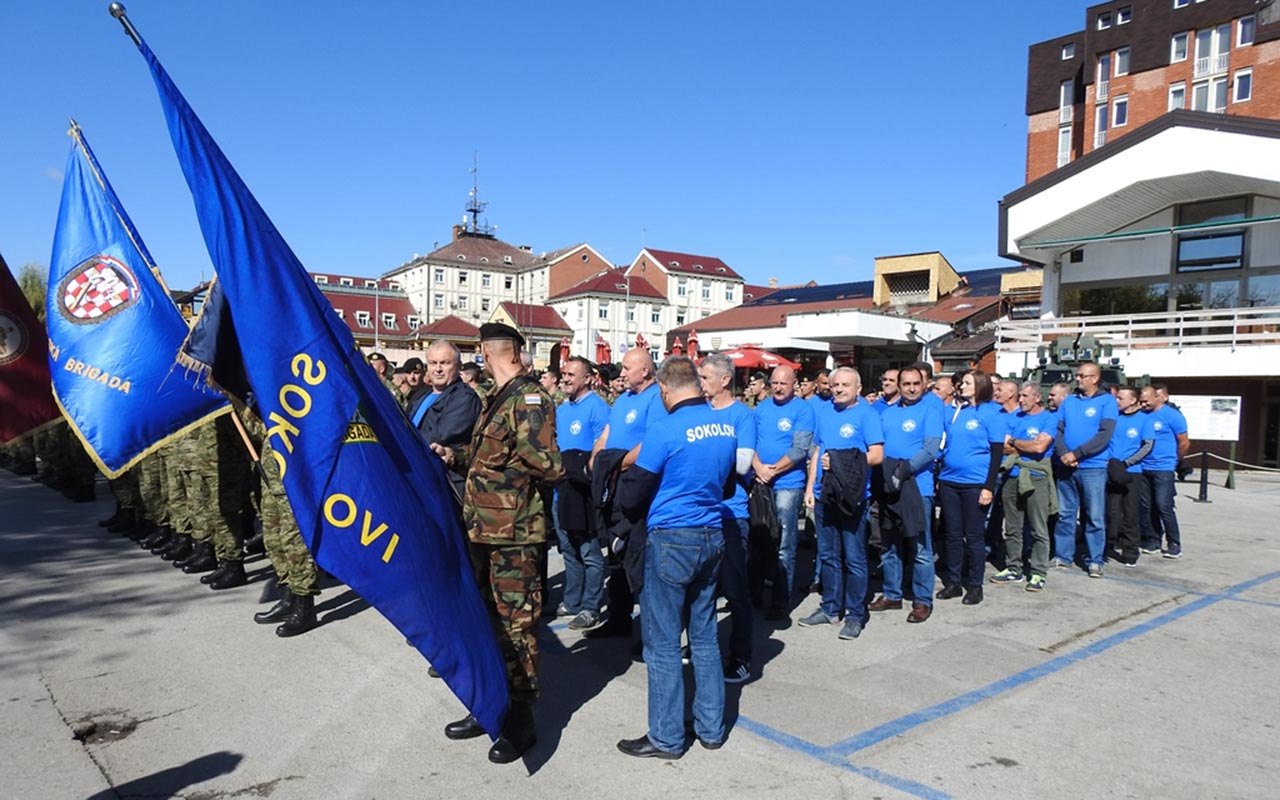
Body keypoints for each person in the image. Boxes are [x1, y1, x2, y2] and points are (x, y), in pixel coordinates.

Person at [434, 322, 563, 764]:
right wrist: (455, 456)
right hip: (483, 530)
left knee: (517, 625)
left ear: (487, 352)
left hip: (514, 535)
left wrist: (509, 469)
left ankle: (521, 720)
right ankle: (491, 704)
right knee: (488, 621)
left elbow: (549, 465)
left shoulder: (529, 399)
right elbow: (488, 457)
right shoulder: (496, 397)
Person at [614, 357, 737, 759]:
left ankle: (666, 736)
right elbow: (728, 484)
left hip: (672, 536)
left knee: (663, 642)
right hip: (712, 533)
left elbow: (634, 493)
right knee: (704, 635)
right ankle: (711, 727)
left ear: (665, 389)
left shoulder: (665, 428)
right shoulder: (724, 425)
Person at [586, 348, 665, 639]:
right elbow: (606, 433)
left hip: (635, 484)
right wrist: (596, 459)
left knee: (637, 556)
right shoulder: (622, 400)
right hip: (613, 484)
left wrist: (615, 464)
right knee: (616, 553)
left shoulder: (656, 399)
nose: (621, 373)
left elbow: (652, 444)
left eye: (627, 368)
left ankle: (647, 633)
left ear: (644, 371)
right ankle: (618, 618)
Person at [800, 367, 883, 639]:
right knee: (828, 555)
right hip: (825, 494)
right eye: (835, 384)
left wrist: (840, 462)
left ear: (858, 388)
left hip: (852, 496)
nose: (838, 389)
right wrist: (811, 487)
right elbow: (818, 450)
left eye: (845, 385)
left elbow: (876, 455)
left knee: (854, 558)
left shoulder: (867, 415)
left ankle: (855, 615)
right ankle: (830, 608)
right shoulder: (825, 412)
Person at [698, 353, 757, 683]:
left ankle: (740, 656)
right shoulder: (699, 411)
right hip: (701, 513)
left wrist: (703, 454)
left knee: (735, 591)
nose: (700, 383)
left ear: (724, 380)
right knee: (701, 590)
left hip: (731, 513)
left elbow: (744, 463)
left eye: (705, 377)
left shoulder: (742, 415)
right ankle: (703, 647)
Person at [869, 366, 942, 623]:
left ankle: (922, 601)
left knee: (920, 547)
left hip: (917, 487)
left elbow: (931, 449)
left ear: (924, 385)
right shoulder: (887, 414)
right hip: (889, 486)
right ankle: (892, 594)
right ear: (899, 386)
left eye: (916, 383)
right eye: (906, 384)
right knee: (889, 544)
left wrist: (904, 469)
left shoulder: (930, 411)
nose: (911, 388)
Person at [751, 365, 815, 620]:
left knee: (784, 545)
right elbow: (749, 441)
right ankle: (754, 593)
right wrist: (758, 467)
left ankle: (780, 601)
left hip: (788, 483)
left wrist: (773, 470)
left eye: (783, 383)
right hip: (760, 481)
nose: (778, 388)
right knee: (759, 539)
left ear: (794, 384)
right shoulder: (762, 408)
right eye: (775, 383)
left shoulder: (803, 410)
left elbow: (800, 449)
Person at [936, 371, 1004, 605]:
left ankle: (975, 585)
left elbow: (996, 452)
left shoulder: (991, 413)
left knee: (974, 536)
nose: (961, 386)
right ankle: (954, 582)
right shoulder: (955, 411)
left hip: (975, 482)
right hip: (949, 480)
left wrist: (988, 486)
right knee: (952, 534)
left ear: (979, 386)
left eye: (967, 383)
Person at [554, 356, 610, 631]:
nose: (565, 378)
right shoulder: (562, 409)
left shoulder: (598, 408)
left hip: (584, 492)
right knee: (568, 549)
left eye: (571, 374)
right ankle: (572, 601)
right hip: (560, 490)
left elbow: (603, 448)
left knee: (589, 552)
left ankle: (591, 606)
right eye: (564, 374)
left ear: (588, 378)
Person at [1052, 361, 1118, 578]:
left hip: (1093, 468)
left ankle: (1095, 559)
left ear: (1095, 378)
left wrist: (1077, 453)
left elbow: (1104, 435)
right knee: (1065, 514)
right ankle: (1063, 555)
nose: (1077, 379)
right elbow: (1058, 430)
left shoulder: (1107, 402)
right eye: (1077, 375)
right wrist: (1064, 453)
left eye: (1082, 376)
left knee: (1094, 516)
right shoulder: (1069, 401)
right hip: (1067, 466)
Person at [991, 383, 1056, 592]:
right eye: (1020, 396)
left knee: (1038, 528)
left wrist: (1015, 442)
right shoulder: (1014, 418)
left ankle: (1038, 572)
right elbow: (1003, 446)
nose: (1020, 400)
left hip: (1036, 478)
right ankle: (1013, 567)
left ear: (1037, 397)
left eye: (1026, 396)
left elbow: (1040, 447)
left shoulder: (1048, 419)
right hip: (1011, 476)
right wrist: (1025, 444)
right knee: (1012, 527)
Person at [414, 341, 482, 501]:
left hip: (447, 483)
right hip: (419, 478)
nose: (438, 369)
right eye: (433, 363)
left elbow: (440, 436)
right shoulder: (421, 395)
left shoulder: (464, 397)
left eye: (444, 363)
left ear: (458, 366)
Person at [1139, 383, 1189, 559]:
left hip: (1163, 468)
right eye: (1141, 401)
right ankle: (1153, 539)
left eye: (1146, 401)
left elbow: (1184, 442)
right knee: (1147, 506)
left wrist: (1176, 461)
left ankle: (1174, 543)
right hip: (1143, 467)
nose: (1143, 404)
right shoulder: (1142, 415)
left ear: (1157, 398)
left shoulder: (1172, 415)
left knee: (1164, 505)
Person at [1108, 386, 1154, 567]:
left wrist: (1127, 462)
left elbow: (1147, 446)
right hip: (1111, 469)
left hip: (1131, 471)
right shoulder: (1114, 418)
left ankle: (1130, 551)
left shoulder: (1144, 420)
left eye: (1121, 398)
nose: (1117, 401)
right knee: (1111, 511)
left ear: (1133, 400)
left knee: (1130, 513)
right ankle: (1109, 543)